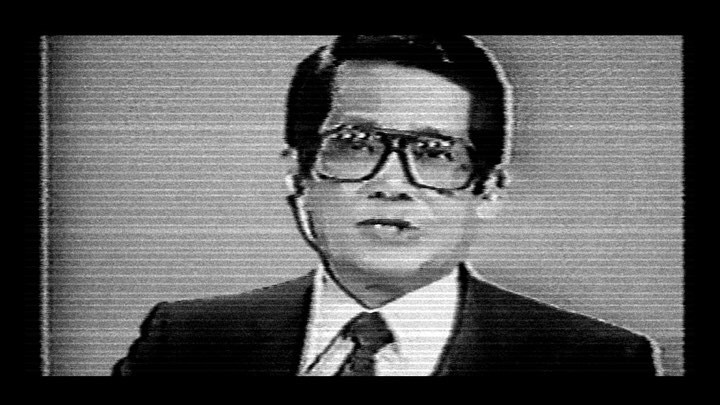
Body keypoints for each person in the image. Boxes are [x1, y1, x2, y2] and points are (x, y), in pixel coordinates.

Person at [113, 35, 662, 376]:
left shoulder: (594, 364)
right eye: (355, 145)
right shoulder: (185, 343)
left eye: (434, 153)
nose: (392, 183)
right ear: (298, 175)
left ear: (489, 189)